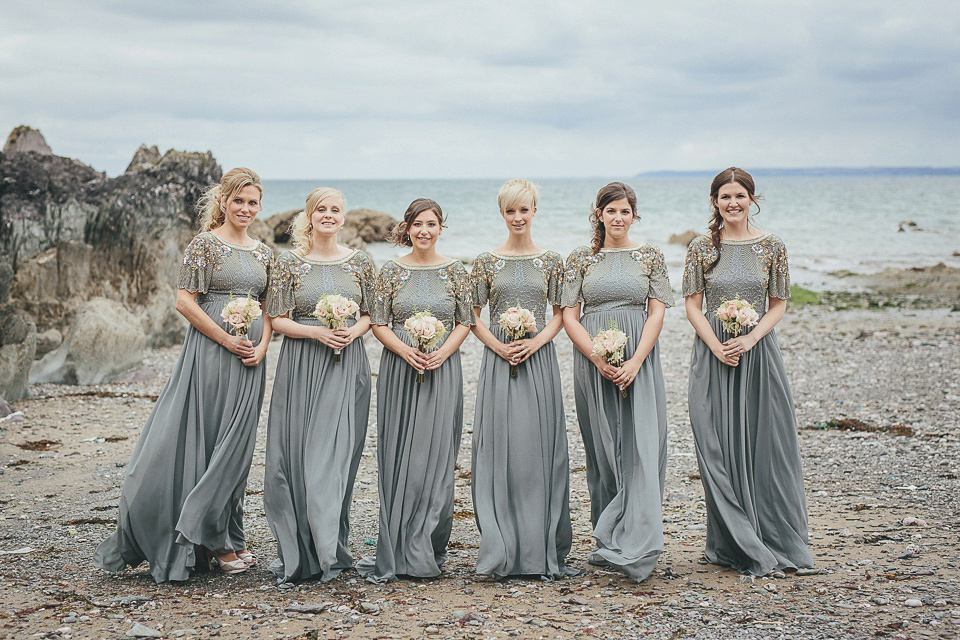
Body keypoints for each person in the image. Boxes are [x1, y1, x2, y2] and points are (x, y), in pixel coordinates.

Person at [94, 167, 272, 582]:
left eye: (252, 202)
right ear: (223, 202)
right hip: (210, 355)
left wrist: (261, 348)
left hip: (250, 361)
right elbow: (184, 302)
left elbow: (269, 309)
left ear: (260, 206)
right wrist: (226, 341)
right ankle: (215, 542)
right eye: (238, 201)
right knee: (206, 440)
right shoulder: (204, 245)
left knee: (237, 447)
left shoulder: (265, 253)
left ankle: (227, 533)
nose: (245, 208)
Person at [682, 167, 814, 576]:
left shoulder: (772, 246)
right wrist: (717, 346)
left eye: (740, 196)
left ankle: (770, 535)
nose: (733, 203)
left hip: (757, 353)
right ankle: (730, 539)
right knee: (716, 441)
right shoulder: (702, 247)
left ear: (752, 199)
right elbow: (692, 304)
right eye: (725, 197)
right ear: (715, 202)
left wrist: (751, 339)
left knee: (766, 441)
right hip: (713, 351)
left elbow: (778, 304)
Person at [358, 198, 474, 583]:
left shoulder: (456, 271)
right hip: (399, 368)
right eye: (417, 224)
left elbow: (464, 321)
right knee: (400, 452)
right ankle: (399, 542)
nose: (424, 230)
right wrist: (405, 348)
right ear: (406, 228)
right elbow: (379, 322)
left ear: (441, 228)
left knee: (438, 453)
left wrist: (441, 351)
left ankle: (427, 542)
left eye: (431, 224)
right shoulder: (391, 271)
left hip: (442, 368)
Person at [561, 181, 672, 582]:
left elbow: (657, 313)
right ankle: (607, 539)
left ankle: (639, 537)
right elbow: (569, 316)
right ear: (599, 214)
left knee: (643, 442)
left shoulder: (650, 256)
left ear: (634, 215)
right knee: (603, 446)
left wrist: (635, 361)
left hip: (639, 357)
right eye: (611, 211)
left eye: (625, 211)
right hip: (593, 358)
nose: (618, 218)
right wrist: (598, 358)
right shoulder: (580, 259)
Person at [263, 187, 375, 583]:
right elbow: (277, 319)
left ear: (344, 218)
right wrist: (317, 334)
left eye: (335, 210)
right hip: (302, 365)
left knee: (336, 454)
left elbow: (371, 315)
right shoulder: (289, 263)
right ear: (309, 216)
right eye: (321, 210)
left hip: (347, 365)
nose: (328, 215)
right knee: (297, 455)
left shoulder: (360, 262)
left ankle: (331, 545)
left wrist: (350, 332)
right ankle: (303, 549)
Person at [470, 179, 574, 580]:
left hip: (538, 362)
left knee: (538, 448)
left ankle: (539, 545)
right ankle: (501, 543)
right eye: (510, 211)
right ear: (502, 213)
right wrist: (498, 345)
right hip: (498, 362)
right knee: (500, 447)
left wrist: (535, 343)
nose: (517, 217)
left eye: (524, 210)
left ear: (535, 212)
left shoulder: (551, 261)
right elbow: (473, 316)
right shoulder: (485, 262)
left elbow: (562, 314)